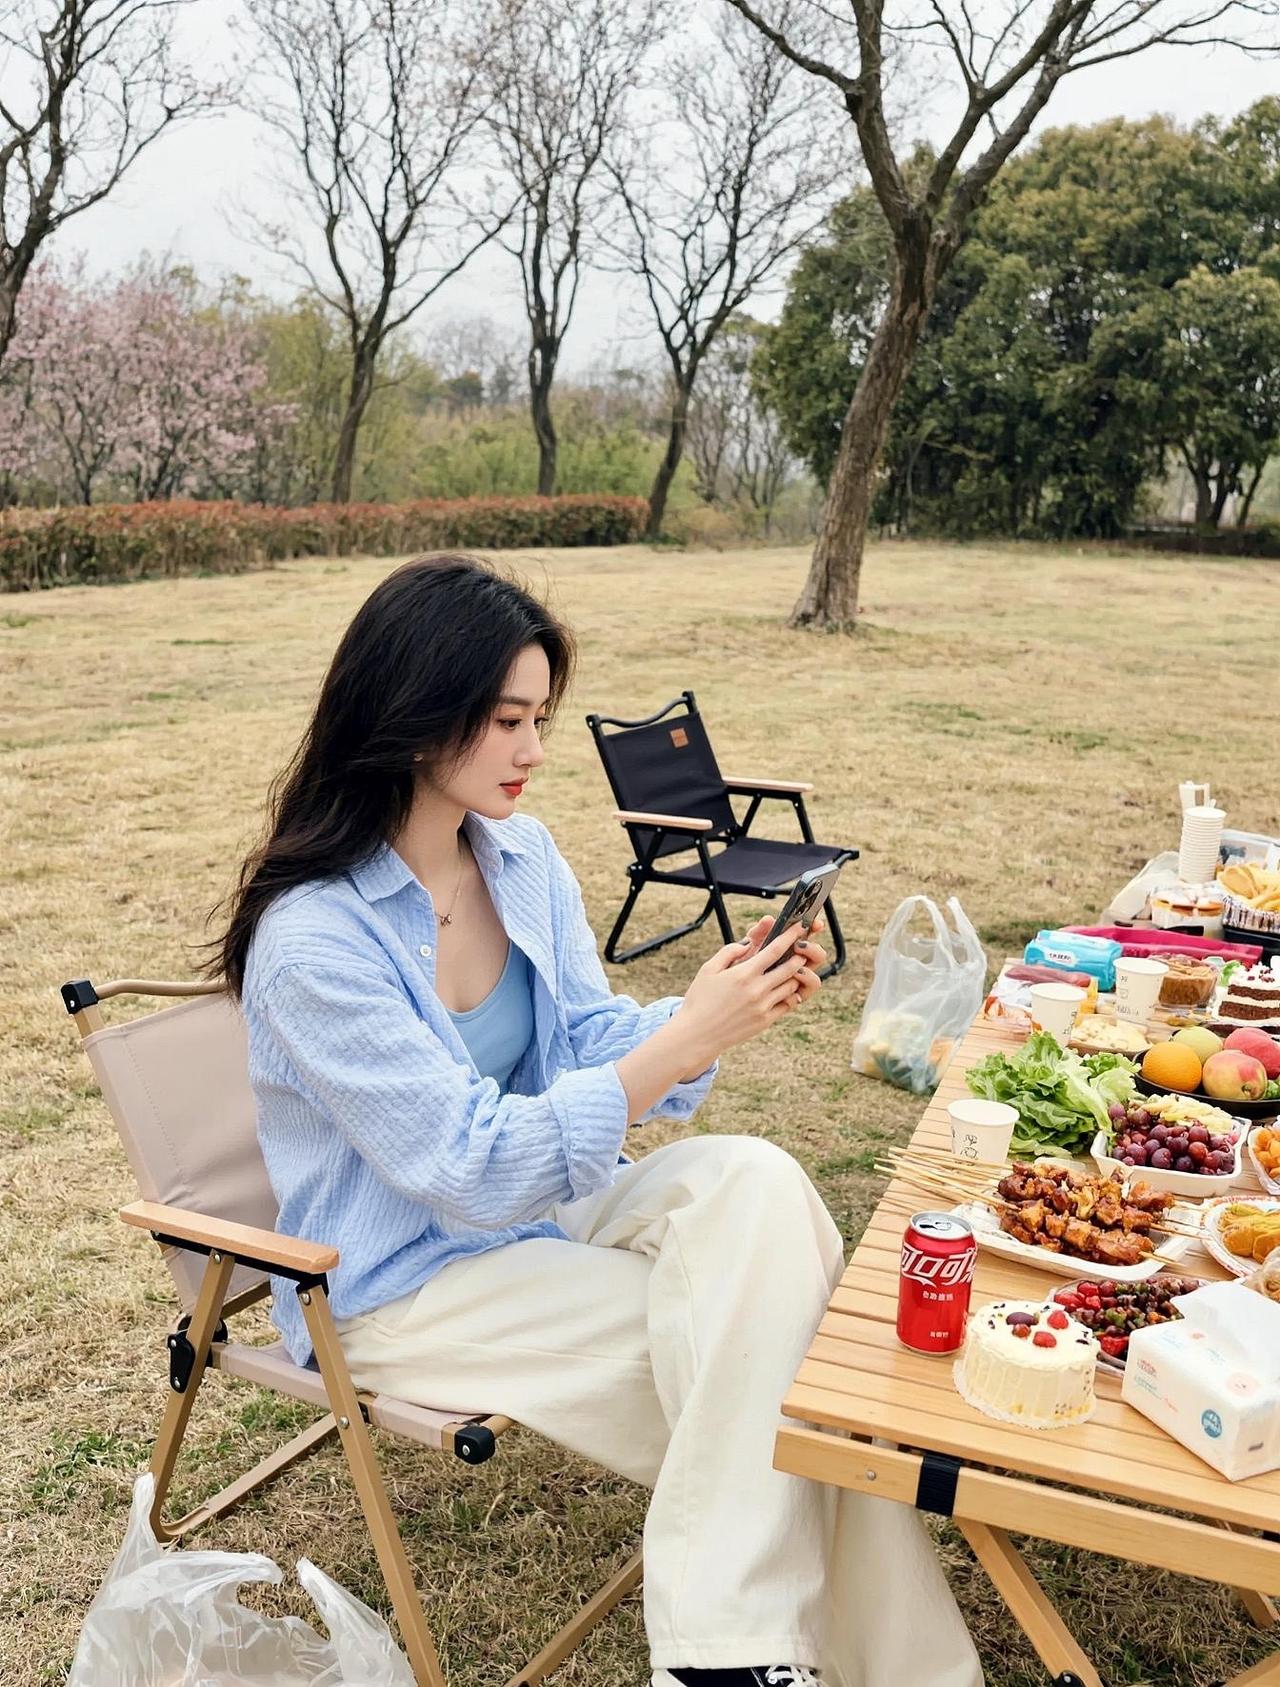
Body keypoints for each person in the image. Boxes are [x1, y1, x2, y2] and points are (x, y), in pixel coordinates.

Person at [214, 556, 983, 1687]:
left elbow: (579, 1046)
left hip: (545, 1213)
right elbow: (463, 1166)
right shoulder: (314, 941)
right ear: (412, 714)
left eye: (539, 718)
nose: (533, 750)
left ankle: (729, 1650)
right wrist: (677, 1045)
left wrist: (711, 1011)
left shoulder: (515, 856)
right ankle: (798, 1664)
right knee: (776, 1366)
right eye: (505, 720)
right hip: (402, 1279)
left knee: (754, 1184)